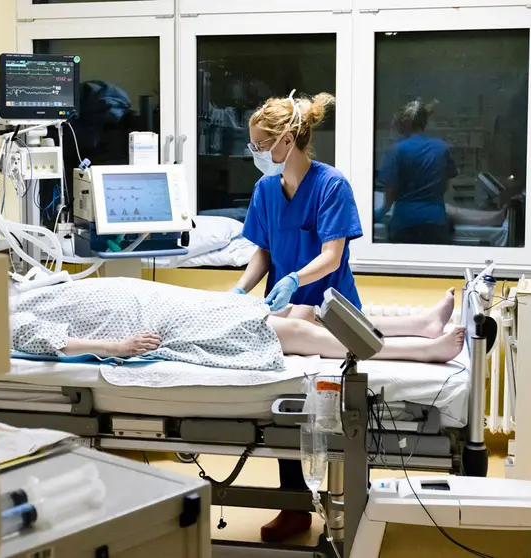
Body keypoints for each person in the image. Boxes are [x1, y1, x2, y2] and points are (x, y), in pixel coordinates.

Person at [224, 91, 464, 542]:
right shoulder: (264, 191)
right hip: (293, 307)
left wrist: (293, 278)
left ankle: (357, 506)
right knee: (289, 402)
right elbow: (262, 254)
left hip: (329, 301)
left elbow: (331, 257)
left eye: (260, 145)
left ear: (287, 140)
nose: (254, 153)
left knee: (330, 378)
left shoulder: (330, 185)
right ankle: (295, 508)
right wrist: (239, 291)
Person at [10, 278, 465, 368]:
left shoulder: (12, 287)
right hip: (157, 321)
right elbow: (50, 340)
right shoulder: (2, 317)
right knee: (293, 331)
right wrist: (117, 348)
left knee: (299, 311)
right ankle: (423, 349)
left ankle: (421, 324)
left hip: (163, 299)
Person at [376, 99, 458, 245]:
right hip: (436, 223)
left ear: (402, 124)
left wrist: (375, 217)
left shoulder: (397, 151)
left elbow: (389, 198)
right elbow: (444, 186)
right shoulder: (441, 148)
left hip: (405, 224)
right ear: (425, 123)